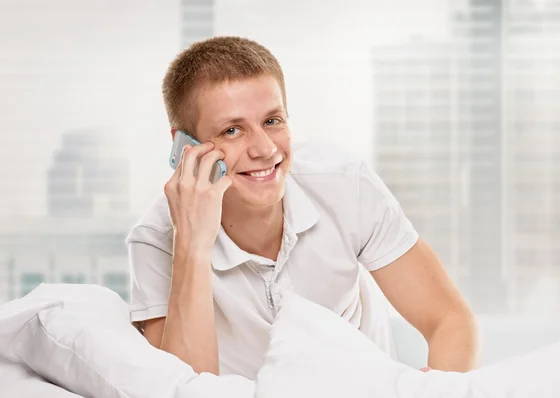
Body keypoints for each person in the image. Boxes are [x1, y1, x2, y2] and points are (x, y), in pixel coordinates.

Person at [126, 36, 479, 379]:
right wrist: (192, 243)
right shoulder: (156, 240)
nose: (265, 149)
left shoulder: (344, 184)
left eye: (272, 121)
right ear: (185, 146)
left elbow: (449, 319)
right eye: (232, 130)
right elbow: (183, 389)